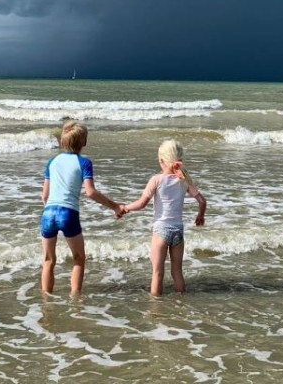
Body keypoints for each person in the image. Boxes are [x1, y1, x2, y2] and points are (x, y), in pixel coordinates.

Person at [40, 120, 122, 295]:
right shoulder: (84, 163)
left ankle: (46, 300)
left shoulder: (52, 162)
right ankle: (75, 299)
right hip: (68, 213)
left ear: (63, 141)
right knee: (79, 258)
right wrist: (114, 206)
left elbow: (44, 196)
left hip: (48, 214)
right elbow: (90, 192)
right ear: (84, 142)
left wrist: (51, 209)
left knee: (48, 260)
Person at [120, 139, 207, 296]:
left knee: (157, 273)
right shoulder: (184, 180)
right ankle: (182, 301)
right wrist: (200, 216)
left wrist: (125, 208)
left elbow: (141, 204)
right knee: (177, 272)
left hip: (161, 230)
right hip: (178, 232)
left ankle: (156, 308)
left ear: (161, 160)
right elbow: (202, 201)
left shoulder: (156, 180)